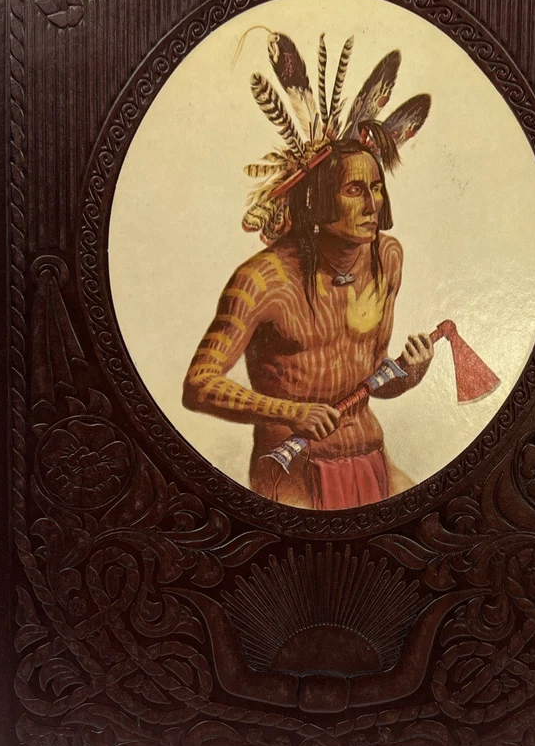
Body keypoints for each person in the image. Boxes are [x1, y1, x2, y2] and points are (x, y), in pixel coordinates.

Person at [182, 31, 433, 510]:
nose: (373, 205)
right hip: (291, 471)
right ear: (317, 202)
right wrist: (288, 412)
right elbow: (199, 384)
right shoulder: (264, 281)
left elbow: (369, 375)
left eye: (377, 188)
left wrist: (410, 373)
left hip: (371, 457)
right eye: (354, 190)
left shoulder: (386, 259)